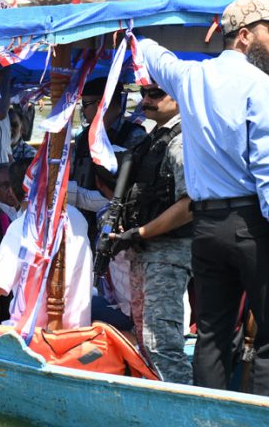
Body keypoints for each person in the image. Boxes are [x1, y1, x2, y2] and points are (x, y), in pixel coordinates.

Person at [138, 0, 269, 394]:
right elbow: (266, 169)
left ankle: (206, 419)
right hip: (251, 224)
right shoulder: (260, 86)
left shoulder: (188, 77)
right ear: (245, 37)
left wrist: (131, 30)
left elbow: (147, 49)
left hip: (207, 229)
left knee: (212, 332)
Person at [0, 161, 93, 329]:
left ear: (13, 191)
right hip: (80, 325)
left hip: (36, 334)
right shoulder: (76, 215)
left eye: (7, 185)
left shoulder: (21, 228)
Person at [110, 83, 193, 384]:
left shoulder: (182, 141)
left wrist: (141, 232)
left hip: (167, 251)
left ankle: (182, 408)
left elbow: (190, 204)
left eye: (155, 94)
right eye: (144, 93)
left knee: (161, 342)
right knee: (145, 338)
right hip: (145, 250)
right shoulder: (153, 139)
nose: (146, 100)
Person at [68, 78, 147, 243]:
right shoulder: (83, 138)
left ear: (101, 103)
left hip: (116, 228)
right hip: (82, 226)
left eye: (86, 103)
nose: (82, 109)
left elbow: (133, 191)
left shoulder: (134, 136)